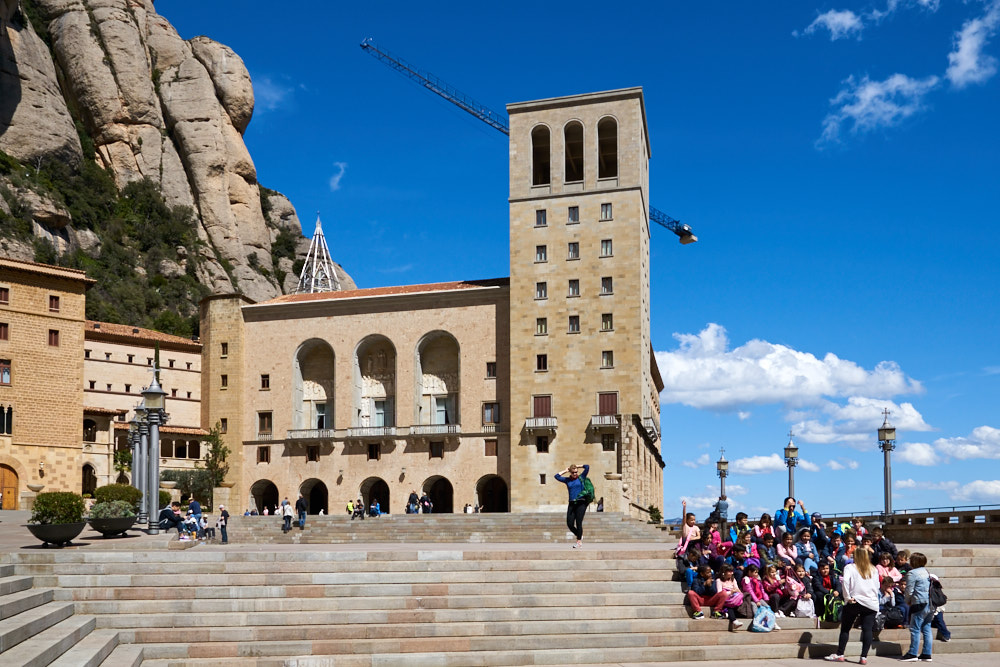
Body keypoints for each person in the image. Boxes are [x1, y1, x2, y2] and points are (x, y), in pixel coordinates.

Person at [825, 546, 879, 664]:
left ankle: (840, 653)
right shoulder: (874, 569)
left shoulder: (850, 567)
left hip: (855, 600)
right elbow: (877, 586)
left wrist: (847, 598)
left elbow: (845, 582)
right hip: (871, 602)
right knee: (867, 629)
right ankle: (863, 657)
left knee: (845, 628)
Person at [900, 551, 934, 662]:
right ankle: (926, 653)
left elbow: (909, 590)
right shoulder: (926, 572)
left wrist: (907, 600)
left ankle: (913, 653)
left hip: (919, 602)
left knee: (915, 628)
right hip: (930, 603)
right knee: (927, 627)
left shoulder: (912, 573)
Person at [554, 463, 590, 549]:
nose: (575, 474)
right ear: (570, 472)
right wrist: (565, 471)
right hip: (571, 503)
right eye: (573, 472)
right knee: (569, 523)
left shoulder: (581, 477)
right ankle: (579, 534)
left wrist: (577, 466)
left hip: (581, 503)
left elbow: (587, 466)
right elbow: (556, 476)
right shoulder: (567, 480)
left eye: (576, 472)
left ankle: (579, 542)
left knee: (578, 522)